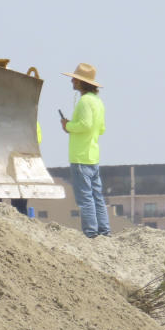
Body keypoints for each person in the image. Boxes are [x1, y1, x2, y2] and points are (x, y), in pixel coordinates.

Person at [60, 62, 110, 238]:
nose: (72, 81)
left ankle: (91, 233)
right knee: (97, 196)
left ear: (82, 82)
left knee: (85, 198)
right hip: (93, 155)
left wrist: (68, 126)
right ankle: (104, 231)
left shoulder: (84, 101)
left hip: (80, 155)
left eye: (75, 79)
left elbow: (85, 124)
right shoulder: (98, 101)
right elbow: (101, 128)